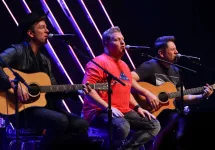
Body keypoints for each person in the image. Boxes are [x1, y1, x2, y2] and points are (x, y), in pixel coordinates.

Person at [0, 12, 90, 150]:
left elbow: (53, 89)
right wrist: (13, 83)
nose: (47, 30)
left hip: (43, 108)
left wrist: (76, 90)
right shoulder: (17, 51)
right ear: (30, 33)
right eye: (42, 27)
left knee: (81, 124)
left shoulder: (44, 60)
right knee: (60, 120)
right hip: (20, 110)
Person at [82, 26, 161, 150]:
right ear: (107, 44)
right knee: (123, 126)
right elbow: (87, 90)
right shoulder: (97, 63)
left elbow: (126, 90)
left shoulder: (124, 65)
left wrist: (137, 107)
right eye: (117, 40)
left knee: (154, 124)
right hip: (99, 111)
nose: (122, 42)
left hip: (123, 111)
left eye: (122, 39)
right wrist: (108, 107)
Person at [131, 35, 214, 150]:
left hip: (168, 113)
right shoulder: (150, 66)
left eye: (176, 49)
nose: (177, 52)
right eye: (172, 49)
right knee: (176, 117)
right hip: (151, 112)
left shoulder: (176, 71)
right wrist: (147, 93)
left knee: (184, 118)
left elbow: (182, 96)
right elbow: (128, 79)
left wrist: (202, 96)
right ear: (161, 53)